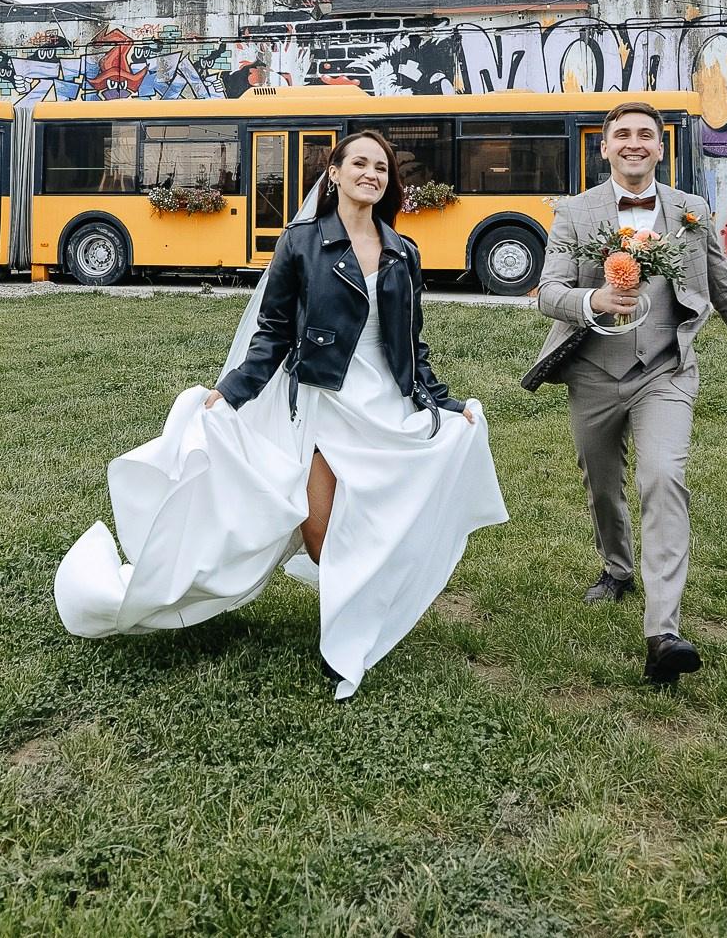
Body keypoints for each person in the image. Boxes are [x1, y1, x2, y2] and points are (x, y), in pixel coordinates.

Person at [53, 130, 506, 700]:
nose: (372, 174)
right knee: (322, 535)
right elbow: (271, 333)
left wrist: (443, 402)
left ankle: (349, 639)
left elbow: (412, 346)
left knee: (378, 526)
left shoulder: (403, 252)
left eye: (382, 168)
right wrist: (234, 391)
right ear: (334, 174)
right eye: (359, 163)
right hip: (321, 401)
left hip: (385, 408)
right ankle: (347, 634)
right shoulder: (301, 243)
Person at [530, 100, 727, 684]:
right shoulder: (575, 212)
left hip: (665, 370)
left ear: (660, 147)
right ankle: (617, 568)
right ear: (602, 148)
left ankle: (663, 634)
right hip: (592, 372)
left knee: (661, 477)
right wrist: (591, 300)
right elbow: (547, 289)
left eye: (645, 135)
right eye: (621, 134)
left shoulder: (691, 212)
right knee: (602, 484)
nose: (633, 143)